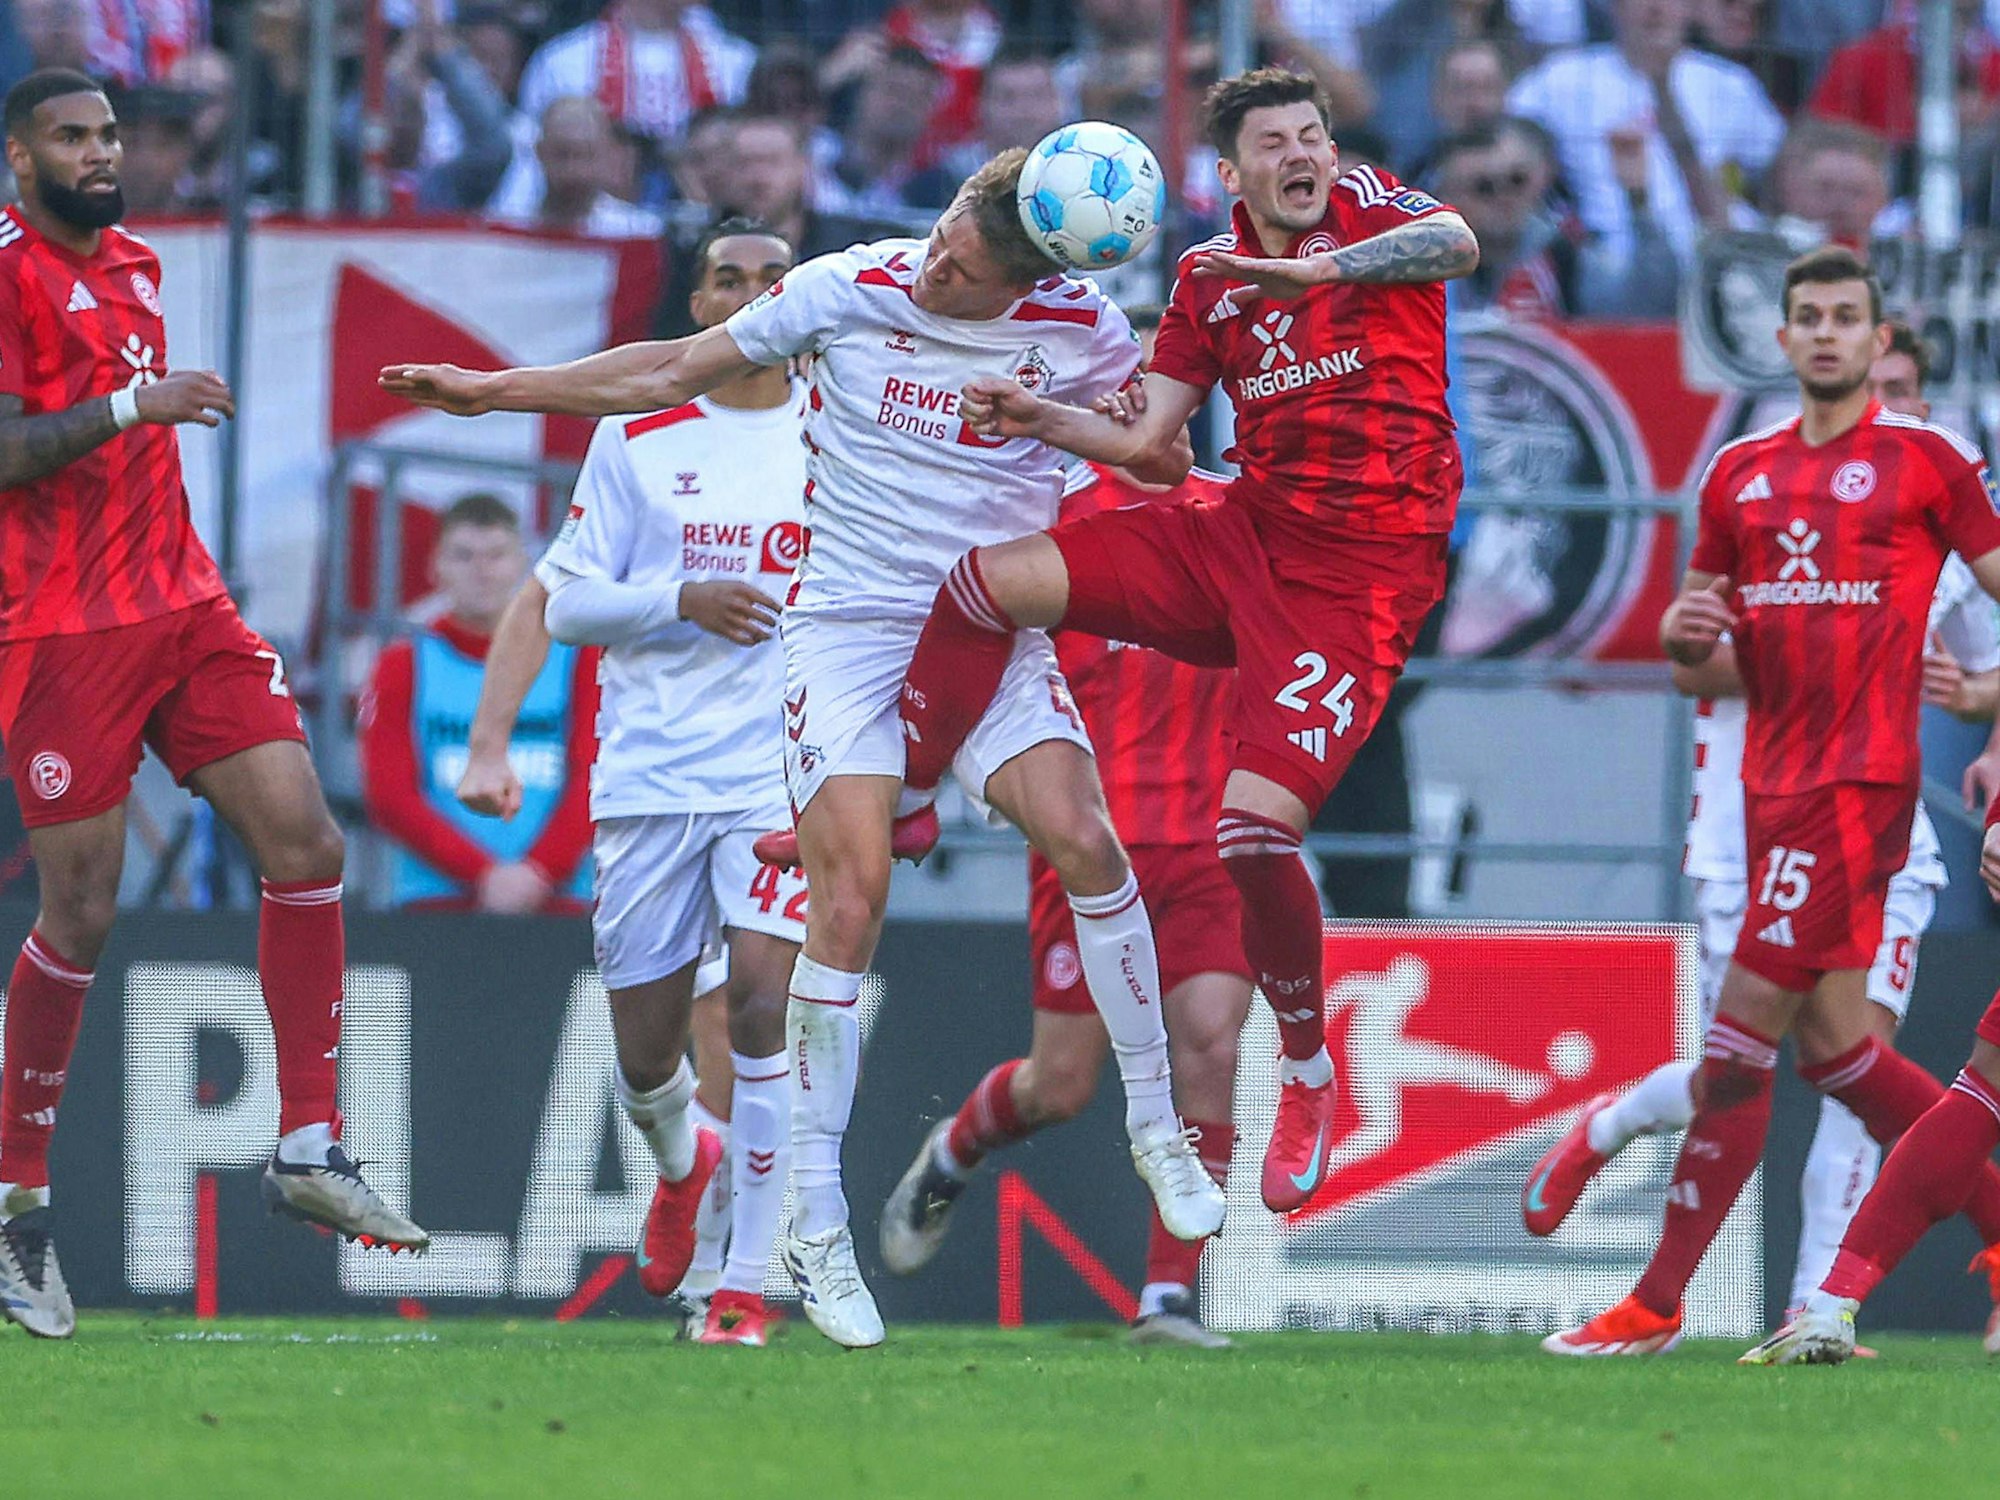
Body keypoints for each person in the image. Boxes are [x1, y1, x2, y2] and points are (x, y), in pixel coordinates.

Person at [382, 149, 1226, 1351]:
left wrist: (1048, 421)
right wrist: (496, 388)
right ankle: (811, 1219)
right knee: (835, 911)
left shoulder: (1080, 327)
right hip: (843, 636)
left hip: (986, 633)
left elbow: (1160, 459)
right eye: (938, 239)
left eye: (962, 269)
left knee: (1087, 842)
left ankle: (1154, 1129)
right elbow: (669, 370)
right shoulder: (854, 286)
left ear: (1019, 288)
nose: (933, 268)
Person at [888, 67, 1477, 1216]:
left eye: (1313, 135)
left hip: (1355, 587)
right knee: (982, 583)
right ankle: (910, 792)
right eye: (1277, 144)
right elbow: (1153, 437)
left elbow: (1455, 242)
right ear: (1231, 173)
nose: (1303, 156)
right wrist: (1040, 417)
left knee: (1254, 836)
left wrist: (1314, 270)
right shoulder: (1210, 280)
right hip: (1239, 533)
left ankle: (1306, 1071)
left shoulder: (1374, 212)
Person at [0, 70, 425, 1340]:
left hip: (184, 609)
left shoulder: (132, 258)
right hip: (60, 630)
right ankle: (16, 1204)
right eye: (70, 136)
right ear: (16, 156)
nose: (98, 152)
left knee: (307, 841)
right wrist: (138, 403)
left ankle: (307, 1140)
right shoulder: (5, 271)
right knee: (80, 904)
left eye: (109, 133)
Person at [1545, 246, 2000, 1357]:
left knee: (1742, 1040)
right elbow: (1688, 645)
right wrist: (1682, 634)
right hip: (1759, 799)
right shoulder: (1738, 474)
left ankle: (1670, 1304)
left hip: (1857, 794)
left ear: (1878, 339)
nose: (1831, 336)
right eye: (1810, 318)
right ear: (1784, 339)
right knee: (1834, 1057)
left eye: (1850, 318)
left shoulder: (1930, 466)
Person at [453, 219, 808, 1348]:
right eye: (730, 279)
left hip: (783, 774)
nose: (754, 295)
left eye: (774, 279)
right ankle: (680, 1159)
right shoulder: (640, 431)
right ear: (697, 307)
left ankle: (743, 1285)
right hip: (651, 772)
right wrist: (676, 600)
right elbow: (560, 603)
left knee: (761, 1009)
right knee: (648, 1056)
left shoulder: (847, 429)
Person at [879, 405, 1252, 1349]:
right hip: (1092, 855)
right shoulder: (1053, 525)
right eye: (1127, 392)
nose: (1146, 409)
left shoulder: (1238, 519)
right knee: (1062, 1086)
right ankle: (952, 1154)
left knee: (1209, 1046)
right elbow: (979, 662)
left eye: (1164, 389)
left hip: (1213, 850)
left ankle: (1167, 1300)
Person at [1745, 753, 2000, 1363]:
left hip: (1860, 833)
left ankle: (1827, 1300)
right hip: (1772, 837)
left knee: (1857, 1066)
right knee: (1959, 1086)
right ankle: (1826, 1302)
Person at [358, 493, 596, 913]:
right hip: (437, 904)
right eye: (464, 556)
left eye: (496, 555)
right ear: (436, 566)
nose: (482, 571)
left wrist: (539, 872)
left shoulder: (577, 656)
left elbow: (597, 779)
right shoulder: (401, 664)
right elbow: (389, 796)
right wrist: (485, 876)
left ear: (524, 561)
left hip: (562, 903)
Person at [1506, 0, 1784, 273]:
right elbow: (1503, 135)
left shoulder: (1729, 83)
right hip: (1608, 262)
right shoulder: (1563, 77)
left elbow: (1782, 173)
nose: (1655, 7)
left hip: (1716, 261)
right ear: (1616, 7)